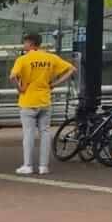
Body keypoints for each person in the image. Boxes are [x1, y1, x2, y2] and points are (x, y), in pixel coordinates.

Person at [9, 33, 74, 175]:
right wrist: (54, 83)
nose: (24, 46)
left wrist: (20, 89)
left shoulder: (23, 59)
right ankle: (44, 166)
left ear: (30, 43)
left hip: (28, 101)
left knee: (29, 134)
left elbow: (12, 76)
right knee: (45, 133)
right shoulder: (50, 57)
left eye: (25, 43)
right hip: (45, 100)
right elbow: (71, 69)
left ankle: (28, 165)